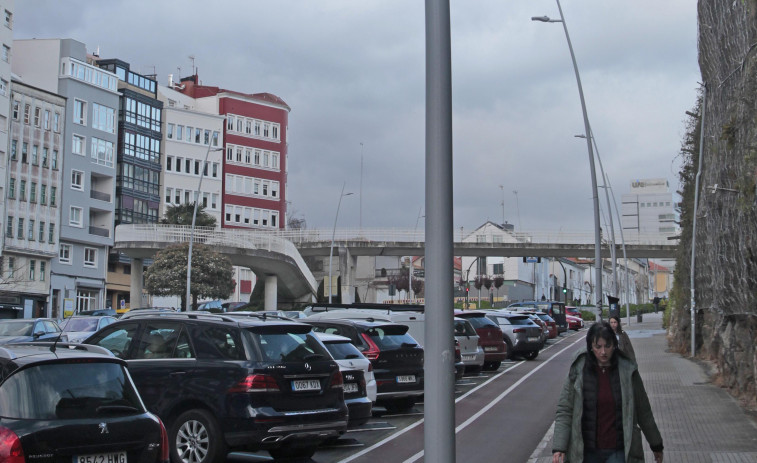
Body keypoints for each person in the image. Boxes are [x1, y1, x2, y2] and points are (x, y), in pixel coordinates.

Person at [552, 321, 663, 463]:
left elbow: (644, 411)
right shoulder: (579, 369)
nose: (603, 352)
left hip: (618, 451)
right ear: (591, 347)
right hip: (586, 452)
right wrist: (559, 447)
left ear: (614, 345)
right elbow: (565, 410)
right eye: (598, 347)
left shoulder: (627, 370)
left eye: (607, 346)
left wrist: (656, 444)